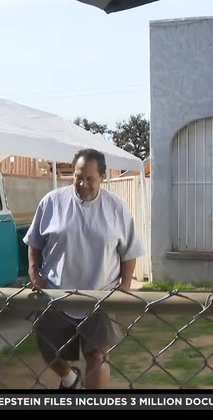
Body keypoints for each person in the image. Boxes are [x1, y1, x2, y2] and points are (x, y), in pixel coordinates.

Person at [23, 148, 146, 390]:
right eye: (79, 177)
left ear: (102, 177)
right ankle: (69, 378)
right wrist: (34, 273)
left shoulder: (116, 208)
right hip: (57, 294)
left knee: (98, 356)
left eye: (90, 178)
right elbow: (34, 242)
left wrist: (124, 288)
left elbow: (129, 251)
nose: (83, 183)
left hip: (101, 295)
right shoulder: (51, 202)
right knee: (50, 352)